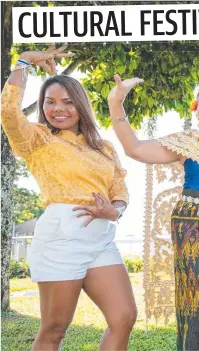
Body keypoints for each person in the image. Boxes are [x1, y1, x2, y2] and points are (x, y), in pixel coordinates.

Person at [1, 44, 136, 351]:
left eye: (67, 102)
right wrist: (23, 64)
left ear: (80, 106)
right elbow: (8, 113)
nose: (58, 108)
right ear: (42, 106)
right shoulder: (37, 139)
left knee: (124, 317)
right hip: (61, 237)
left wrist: (114, 210)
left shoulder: (104, 147)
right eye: (50, 102)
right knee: (55, 329)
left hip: (101, 240)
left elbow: (120, 189)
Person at [107, 75, 199, 350]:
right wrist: (116, 104)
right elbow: (135, 149)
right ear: (196, 110)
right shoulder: (188, 143)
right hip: (194, 227)